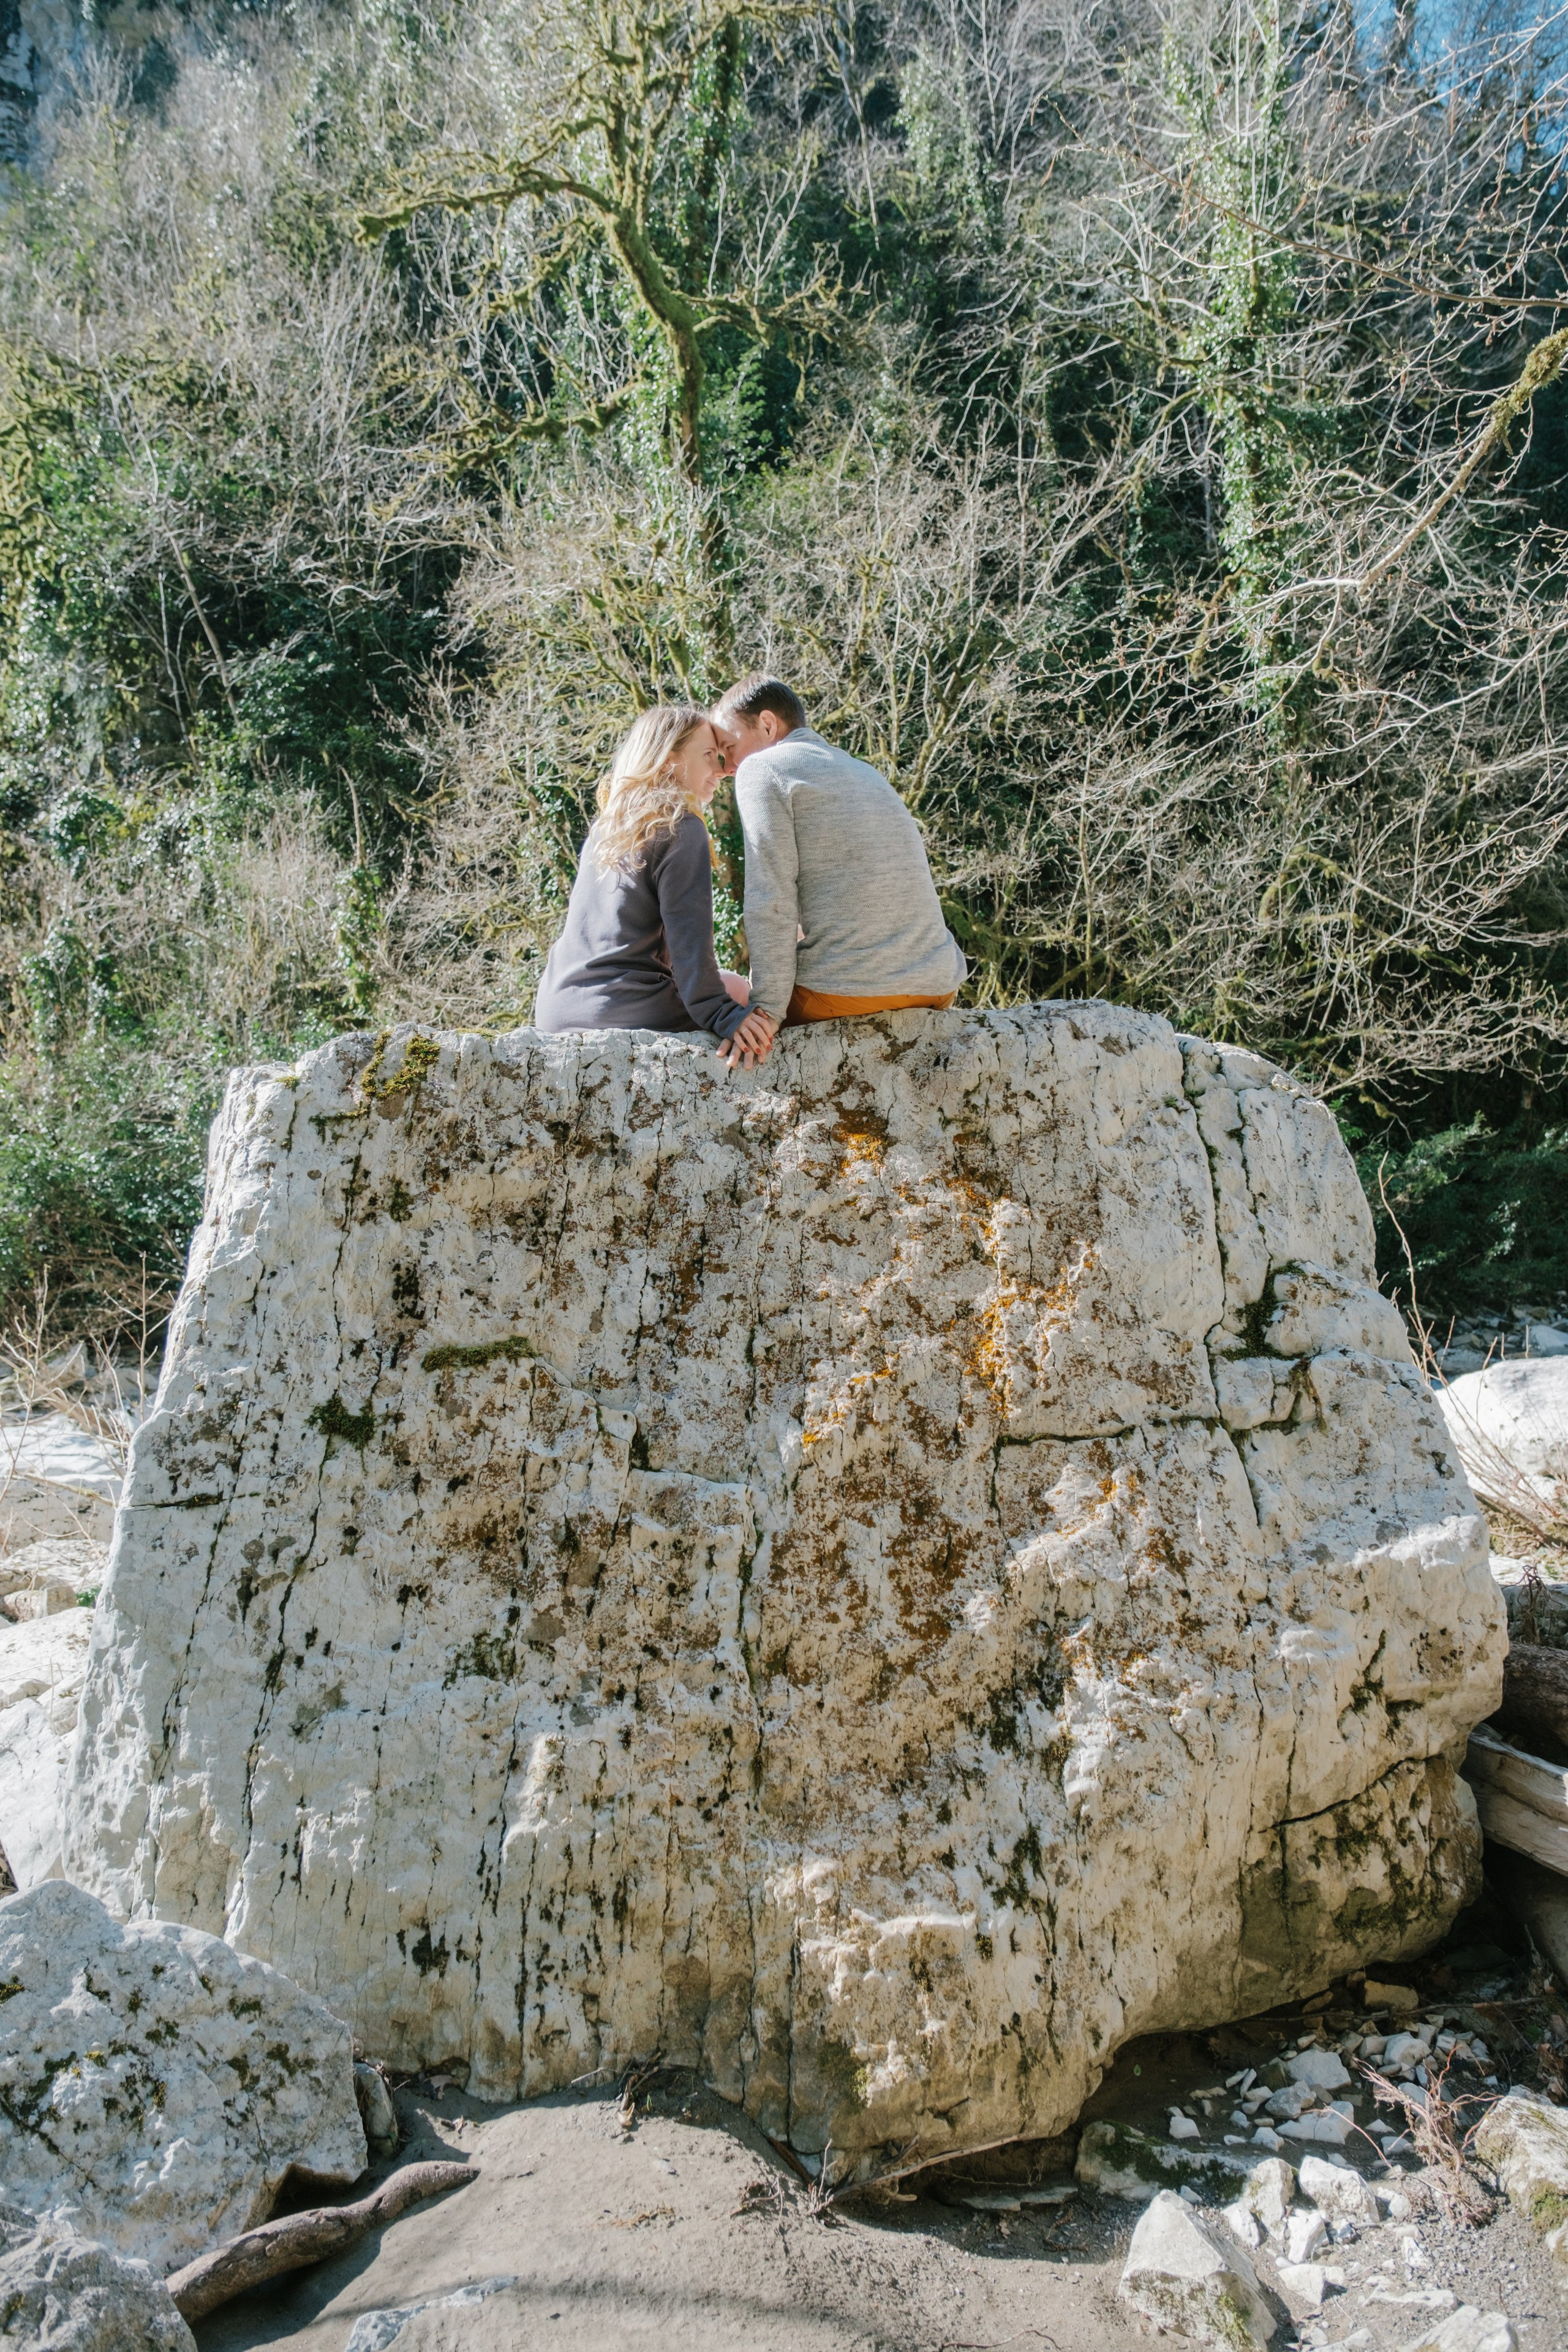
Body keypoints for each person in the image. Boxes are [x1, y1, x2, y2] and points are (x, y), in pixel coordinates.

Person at [710, 674, 966, 1055]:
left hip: (850, 990)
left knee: (724, 1004)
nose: (728, 765)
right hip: (940, 982)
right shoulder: (866, 771)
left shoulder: (763, 767)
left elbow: (771, 897)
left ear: (767, 724)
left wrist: (766, 1010)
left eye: (730, 746)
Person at [533, 704, 776, 1068]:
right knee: (739, 991)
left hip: (554, 1007)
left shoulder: (607, 827)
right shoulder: (682, 827)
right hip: (619, 1007)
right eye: (708, 755)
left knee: (726, 982)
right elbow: (689, 947)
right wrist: (724, 1016)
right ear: (667, 761)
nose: (721, 769)